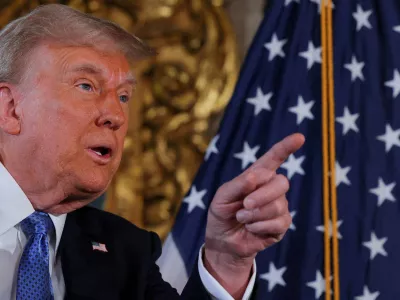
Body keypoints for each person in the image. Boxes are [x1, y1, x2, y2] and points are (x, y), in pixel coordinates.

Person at [0, 4, 305, 300]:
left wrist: (227, 260)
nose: (116, 116)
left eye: (123, 96)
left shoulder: (126, 250)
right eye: (87, 86)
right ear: (11, 109)